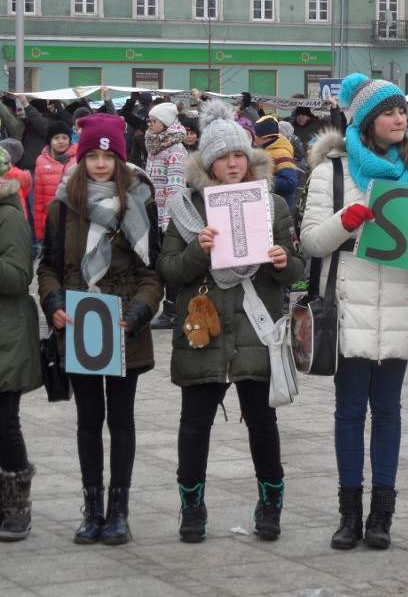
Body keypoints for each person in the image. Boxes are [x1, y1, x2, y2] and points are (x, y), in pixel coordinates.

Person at [299, 72, 408, 551]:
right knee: (348, 412)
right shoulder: (332, 174)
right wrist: (345, 221)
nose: (401, 118)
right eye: (389, 112)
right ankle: (349, 514)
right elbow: (310, 242)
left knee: (388, 412)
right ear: (365, 121)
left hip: (398, 303)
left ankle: (382, 516)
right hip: (348, 306)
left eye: (403, 110)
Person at [156, 99, 304, 544]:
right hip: (205, 329)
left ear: (250, 157)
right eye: (223, 157)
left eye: (239, 155)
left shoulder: (273, 204)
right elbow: (167, 271)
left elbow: (297, 269)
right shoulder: (186, 208)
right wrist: (198, 248)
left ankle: (271, 505)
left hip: (256, 330)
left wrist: (282, 261)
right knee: (194, 424)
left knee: (262, 424)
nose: (233, 164)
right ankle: (192, 508)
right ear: (209, 164)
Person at [37, 113, 164, 545]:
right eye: (91, 155)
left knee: (121, 421)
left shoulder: (141, 201)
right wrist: (53, 304)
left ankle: (119, 512)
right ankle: (92, 509)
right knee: (88, 421)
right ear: (82, 156)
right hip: (79, 327)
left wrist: (134, 317)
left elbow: (153, 274)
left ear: (120, 159)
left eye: (107, 156)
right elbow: (49, 267)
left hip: (125, 329)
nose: (99, 163)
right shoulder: (62, 204)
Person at [0, 146, 40, 542]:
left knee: (4, 423)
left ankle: (16, 503)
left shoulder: (9, 216)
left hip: (6, 334)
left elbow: (16, 277)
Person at [144, 101, 188, 330]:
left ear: (166, 123)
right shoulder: (155, 145)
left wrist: (167, 220)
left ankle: (172, 310)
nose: (150, 125)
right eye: (149, 121)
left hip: (167, 218)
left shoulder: (176, 150)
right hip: (152, 213)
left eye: (154, 121)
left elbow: (176, 188)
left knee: (169, 264)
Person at [34, 120, 77, 247]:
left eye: (65, 137)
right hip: (50, 222)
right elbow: (39, 199)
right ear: (49, 140)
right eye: (56, 138)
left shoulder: (78, 159)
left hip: (73, 221)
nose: (61, 141)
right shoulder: (41, 162)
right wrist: (39, 230)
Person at [253, 114, 299, 210]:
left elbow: (290, 183)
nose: (254, 138)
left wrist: (263, 180)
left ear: (264, 136)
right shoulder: (266, 150)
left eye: (256, 134)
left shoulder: (282, 153)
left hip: (280, 209)